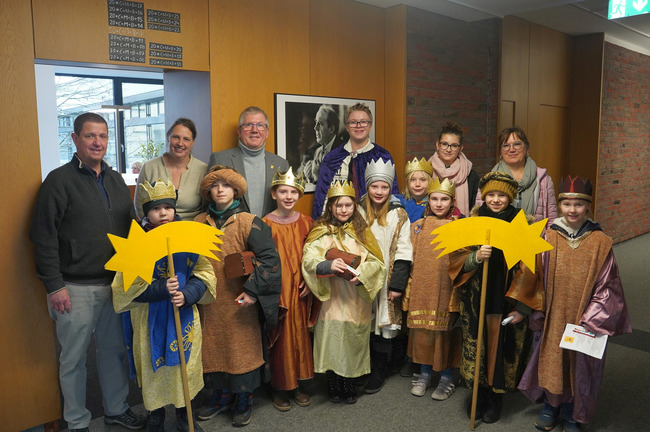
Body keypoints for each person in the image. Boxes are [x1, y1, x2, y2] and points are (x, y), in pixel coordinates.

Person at [29, 112, 145, 432]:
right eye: (91, 136)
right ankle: (77, 421)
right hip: (73, 286)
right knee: (74, 360)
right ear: (76, 139)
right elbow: (42, 235)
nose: (98, 142)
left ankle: (116, 409)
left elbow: (129, 227)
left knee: (113, 352)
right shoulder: (59, 180)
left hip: (114, 283)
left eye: (103, 136)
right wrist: (54, 286)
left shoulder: (115, 179)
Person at [518, 176, 631, 432]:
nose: (572, 210)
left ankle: (572, 411)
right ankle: (551, 405)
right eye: (566, 204)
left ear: (588, 206)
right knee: (552, 358)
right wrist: (530, 308)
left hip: (584, 316)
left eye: (578, 204)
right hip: (553, 313)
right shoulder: (547, 237)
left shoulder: (601, 242)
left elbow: (608, 285)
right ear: (559, 205)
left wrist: (591, 318)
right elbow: (532, 274)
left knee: (577, 363)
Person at [112, 179, 217, 432]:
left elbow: (205, 273)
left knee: (185, 366)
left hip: (182, 315)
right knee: (152, 368)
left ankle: (184, 414)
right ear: (145, 211)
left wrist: (189, 293)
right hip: (148, 317)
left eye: (167, 208)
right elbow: (123, 288)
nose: (163, 213)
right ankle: (155, 415)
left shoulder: (188, 238)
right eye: (156, 208)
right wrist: (159, 289)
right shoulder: (135, 241)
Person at [450, 171, 543, 424]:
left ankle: (495, 397)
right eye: (491, 194)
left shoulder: (521, 222)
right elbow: (456, 257)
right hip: (477, 298)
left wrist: (522, 307)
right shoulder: (473, 220)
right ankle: (479, 395)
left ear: (510, 197)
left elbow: (531, 267)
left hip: (505, 299)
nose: (496, 199)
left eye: (501, 195)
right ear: (484, 196)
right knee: (479, 343)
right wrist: (476, 257)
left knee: (500, 347)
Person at [195, 165, 282, 427]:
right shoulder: (198, 223)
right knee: (212, 348)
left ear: (236, 190)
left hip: (240, 300)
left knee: (241, 349)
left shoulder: (249, 222)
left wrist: (253, 291)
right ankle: (220, 395)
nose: (220, 190)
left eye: (226, 185)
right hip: (209, 301)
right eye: (214, 185)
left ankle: (244, 397)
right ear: (209, 191)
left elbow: (270, 260)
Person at [302, 180, 386, 404]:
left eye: (348, 205)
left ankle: (348, 384)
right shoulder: (320, 231)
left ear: (354, 207)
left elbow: (378, 263)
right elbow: (309, 258)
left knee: (351, 340)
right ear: (330, 207)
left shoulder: (362, 231)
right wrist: (327, 266)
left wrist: (363, 275)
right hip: (331, 297)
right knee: (331, 338)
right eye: (338, 205)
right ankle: (333, 384)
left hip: (355, 297)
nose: (343, 209)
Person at [262, 168, 319, 411]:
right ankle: (280, 386)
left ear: (299, 195)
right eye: (283, 191)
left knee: (300, 336)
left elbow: (314, 256)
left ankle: (300, 383)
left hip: (301, 289)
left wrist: (310, 279)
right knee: (281, 337)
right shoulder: (264, 224)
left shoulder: (307, 222)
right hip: (279, 291)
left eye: (293, 192)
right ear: (274, 193)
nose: (288, 196)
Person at [358, 159, 413, 394]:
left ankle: (379, 370)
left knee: (384, 324)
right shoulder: (358, 211)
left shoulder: (399, 214)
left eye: (384, 187)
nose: (379, 192)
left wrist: (396, 284)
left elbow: (404, 250)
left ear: (390, 189)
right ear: (367, 187)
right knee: (365, 324)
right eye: (374, 187)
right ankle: (364, 367)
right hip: (362, 277)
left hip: (387, 280)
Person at [405, 177, 462, 401]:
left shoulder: (459, 227)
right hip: (421, 288)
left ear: (452, 201)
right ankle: (424, 373)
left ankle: (447, 377)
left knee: (444, 331)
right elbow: (408, 257)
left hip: (446, 288)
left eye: (444, 199)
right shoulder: (417, 227)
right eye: (435, 198)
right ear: (428, 200)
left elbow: (462, 261)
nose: (439, 204)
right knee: (423, 333)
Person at [313, 103, 398, 219]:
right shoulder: (331, 158)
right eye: (353, 122)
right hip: (338, 225)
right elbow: (322, 198)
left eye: (363, 122)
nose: (359, 126)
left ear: (370, 126)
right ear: (347, 127)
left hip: (373, 224)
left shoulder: (382, 156)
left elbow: (392, 196)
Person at [208, 106, 289, 218]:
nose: (254, 130)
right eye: (248, 125)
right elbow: (208, 202)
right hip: (231, 230)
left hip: (269, 231)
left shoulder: (281, 164)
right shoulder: (220, 159)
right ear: (239, 131)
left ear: (267, 132)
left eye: (260, 125)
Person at [477, 126, 557, 229]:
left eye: (517, 144)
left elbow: (552, 219)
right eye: (506, 145)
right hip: (498, 241)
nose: (512, 150)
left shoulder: (543, 180)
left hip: (534, 241)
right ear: (500, 152)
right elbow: (479, 218)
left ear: (527, 148)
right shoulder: (489, 180)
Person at [135, 118, 208, 221]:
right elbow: (140, 206)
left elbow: (206, 209)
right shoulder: (149, 168)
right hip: (156, 231)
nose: (180, 143)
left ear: (192, 142)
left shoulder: (203, 170)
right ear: (168, 138)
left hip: (192, 231)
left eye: (186, 139)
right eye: (176, 137)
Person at [428, 121, 479, 217]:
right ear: (437, 145)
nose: (448, 149)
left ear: (460, 148)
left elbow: (474, 210)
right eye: (444, 144)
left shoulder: (471, 176)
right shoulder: (426, 172)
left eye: (454, 145)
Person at [298, 104, 341, 184]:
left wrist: (317, 177)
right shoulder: (318, 151)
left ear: (331, 129)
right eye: (315, 122)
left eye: (320, 124)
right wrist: (309, 178)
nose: (315, 128)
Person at [400, 157, 435, 222]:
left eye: (422, 180)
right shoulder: (398, 201)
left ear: (430, 182)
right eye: (413, 180)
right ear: (407, 182)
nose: (417, 184)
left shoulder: (435, 204)